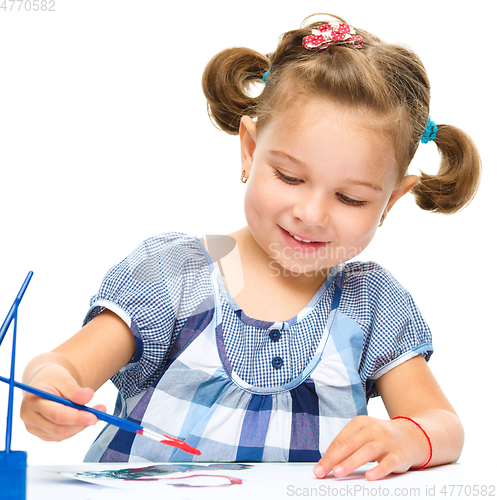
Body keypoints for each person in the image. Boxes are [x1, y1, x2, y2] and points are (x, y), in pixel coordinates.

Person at [21, 14, 481, 481]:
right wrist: (50, 387)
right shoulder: (174, 275)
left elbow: (444, 426)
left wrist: (407, 436)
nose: (312, 213)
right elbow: (65, 364)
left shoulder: (372, 306)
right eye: (289, 176)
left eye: (350, 198)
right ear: (249, 150)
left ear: (390, 201)